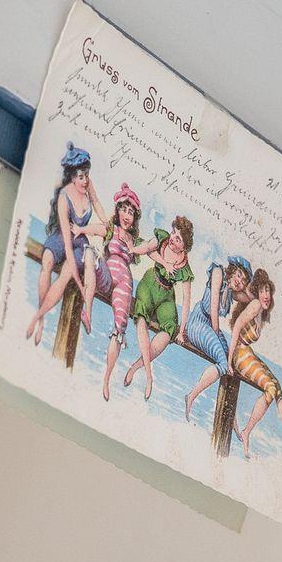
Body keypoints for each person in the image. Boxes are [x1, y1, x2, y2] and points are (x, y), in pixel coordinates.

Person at [25, 142, 108, 345]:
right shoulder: (64, 197)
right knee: (47, 262)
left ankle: (36, 317)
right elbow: (66, 244)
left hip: (80, 243)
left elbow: (96, 202)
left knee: (65, 276)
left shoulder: (88, 184)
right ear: (72, 177)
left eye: (87, 175)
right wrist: (79, 283)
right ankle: (41, 320)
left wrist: (106, 222)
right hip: (62, 237)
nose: (85, 180)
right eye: (81, 177)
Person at [231, 269, 282, 457]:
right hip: (239, 354)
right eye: (262, 291)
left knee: (276, 386)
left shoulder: (261, 312)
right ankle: (247, 432)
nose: (266, 295)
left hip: (246, 352)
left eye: (268, 291)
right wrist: (228, 362)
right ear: (257, 292)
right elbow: (237, 327)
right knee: (270, 387)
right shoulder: (255, 305)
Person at [122, 216, 195, 399]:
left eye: (178, 239)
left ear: (184, 247)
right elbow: (147, 248)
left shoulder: (185, 267)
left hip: (167, 295)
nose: (172, 238)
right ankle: (149, 376)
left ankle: (136, 366)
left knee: (168, 330)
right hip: (150, 283)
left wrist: (181, 331)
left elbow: (186, 300)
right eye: (173, 233)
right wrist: (133, 250)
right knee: (141, 318)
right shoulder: (162, 239)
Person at [99, 184, 159, 400]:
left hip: (125, 283)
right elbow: (95, 226)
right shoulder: (111, 229)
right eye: (124, 210)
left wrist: (164, 259)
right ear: (117, 211)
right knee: (91, 263)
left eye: (131, 212)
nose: (126, 215)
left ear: (135, 219)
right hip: (107, 274)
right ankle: (87, 309)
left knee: (119, 329)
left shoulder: (134, 241)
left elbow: (152, 247)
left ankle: (106, 380)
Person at [181, 256, 253, 422]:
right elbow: (214, 311)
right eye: (239, 275)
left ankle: (231, 420)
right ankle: (191, 396)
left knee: (231, 362)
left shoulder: (231, 291)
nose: (239, 281)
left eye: (244, 281)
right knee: (223, 363)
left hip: (211, 327)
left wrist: (246, 287)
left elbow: (251, 299)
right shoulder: (218, 272)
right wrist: (217, 336)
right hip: (198, 322)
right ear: (232, 270)